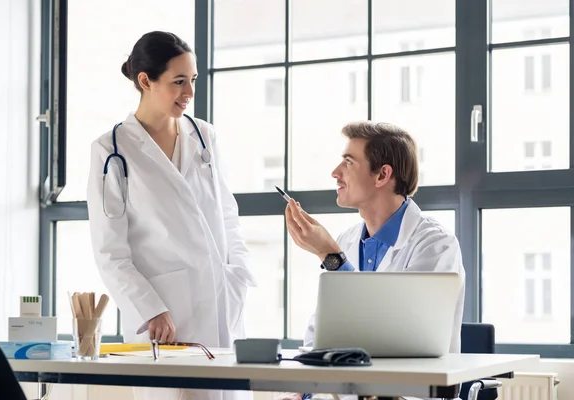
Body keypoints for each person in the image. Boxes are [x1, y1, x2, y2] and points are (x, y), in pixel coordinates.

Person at [86, 31, 256, 400]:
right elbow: (110, 252)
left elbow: (228, 217)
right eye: (178, 82)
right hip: (165, 319)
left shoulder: (204, 136)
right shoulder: (111, 150)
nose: (189, 93)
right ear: (145, 81)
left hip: (220, 303)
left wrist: (238, 274)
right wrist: (151, 309)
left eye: (192, 80)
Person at [279, 121, 465, 400]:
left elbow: (392, 335)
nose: (335, 173)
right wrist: (303, 392)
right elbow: (320, 334)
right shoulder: (348, 240)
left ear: (382, 175)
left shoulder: (435, 245)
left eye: (348, 163)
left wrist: (331, 258)